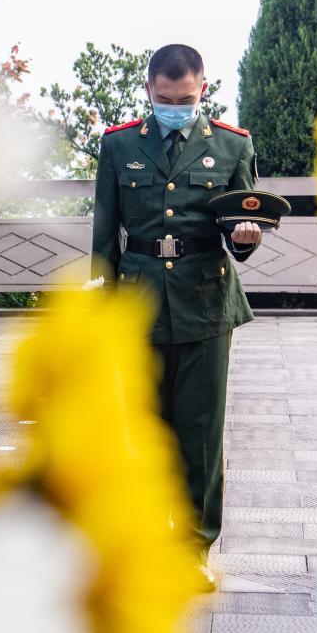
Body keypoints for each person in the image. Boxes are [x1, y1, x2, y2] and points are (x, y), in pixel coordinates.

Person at [90, 43, 262, 592]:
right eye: (164, 100)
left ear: (202, 89)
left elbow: (245, 223)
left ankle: (193, 548)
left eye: (185, 100)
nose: (174, 108)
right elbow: (104, 233)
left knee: (201, 430)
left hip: (205, 300)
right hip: (137, 300)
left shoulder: (232, 145)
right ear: (148, 90)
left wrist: (245, 238)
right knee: (140, 428)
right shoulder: (118, 145)